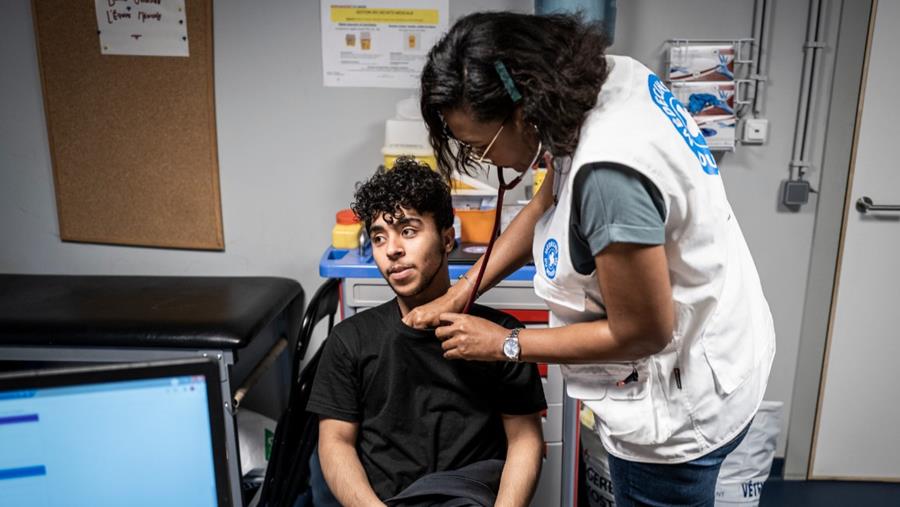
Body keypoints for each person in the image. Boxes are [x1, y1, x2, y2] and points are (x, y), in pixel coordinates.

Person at [407, 12, 777, 506]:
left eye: (481, 146)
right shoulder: (604, 81)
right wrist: (459, 293)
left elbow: (642, 332)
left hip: (681, 401)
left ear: (521, 113)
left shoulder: (609, 177)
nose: (486, 160)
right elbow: (547, 202)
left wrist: (507, 344)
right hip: (723, 336)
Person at [307, 158, 547, 507]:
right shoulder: (349, 341)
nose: (392, 250)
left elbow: (525, 441)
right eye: (379, 237)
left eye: (408, 230)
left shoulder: (502, 337)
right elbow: (334, 443)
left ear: (447, 239)